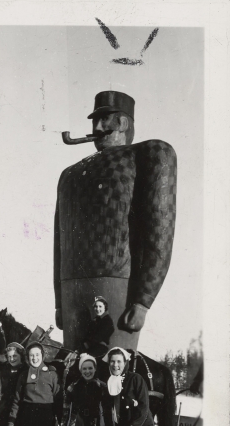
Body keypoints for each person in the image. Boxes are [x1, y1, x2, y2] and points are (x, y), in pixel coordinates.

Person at [54, 90, 177, 351]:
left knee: (114, 370)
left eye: (105, 119)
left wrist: (143, 300)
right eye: (94, 121)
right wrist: (59, 302)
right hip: (71, 284)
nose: (97, 127)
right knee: (74, 372)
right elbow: (59, 242)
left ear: (123, 123)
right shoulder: (68, 175)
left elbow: (160, 231)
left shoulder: (149, 154)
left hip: (118, 282)